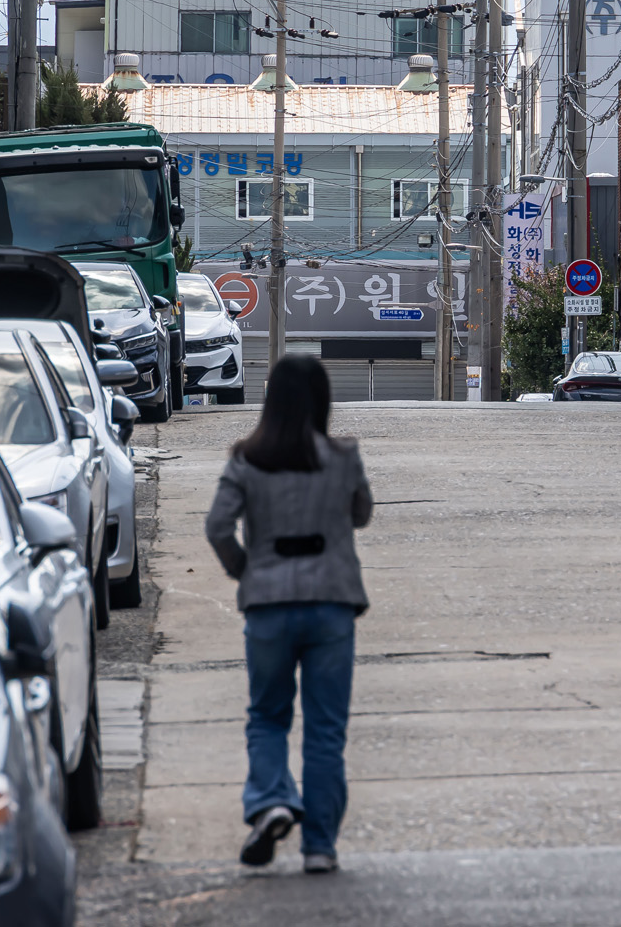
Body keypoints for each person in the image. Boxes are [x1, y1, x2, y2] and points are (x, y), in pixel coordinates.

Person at [204, 355, 373, 873]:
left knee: (268, 716)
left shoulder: (246, 459)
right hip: (330, 607)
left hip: (268, 606)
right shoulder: (343, 457)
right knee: (325, 730)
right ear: (322, 401)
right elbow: (362, 514)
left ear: (270, 399)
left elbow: (216, 527)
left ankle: (273, 800)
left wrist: (245, 570)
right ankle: (319, 847)